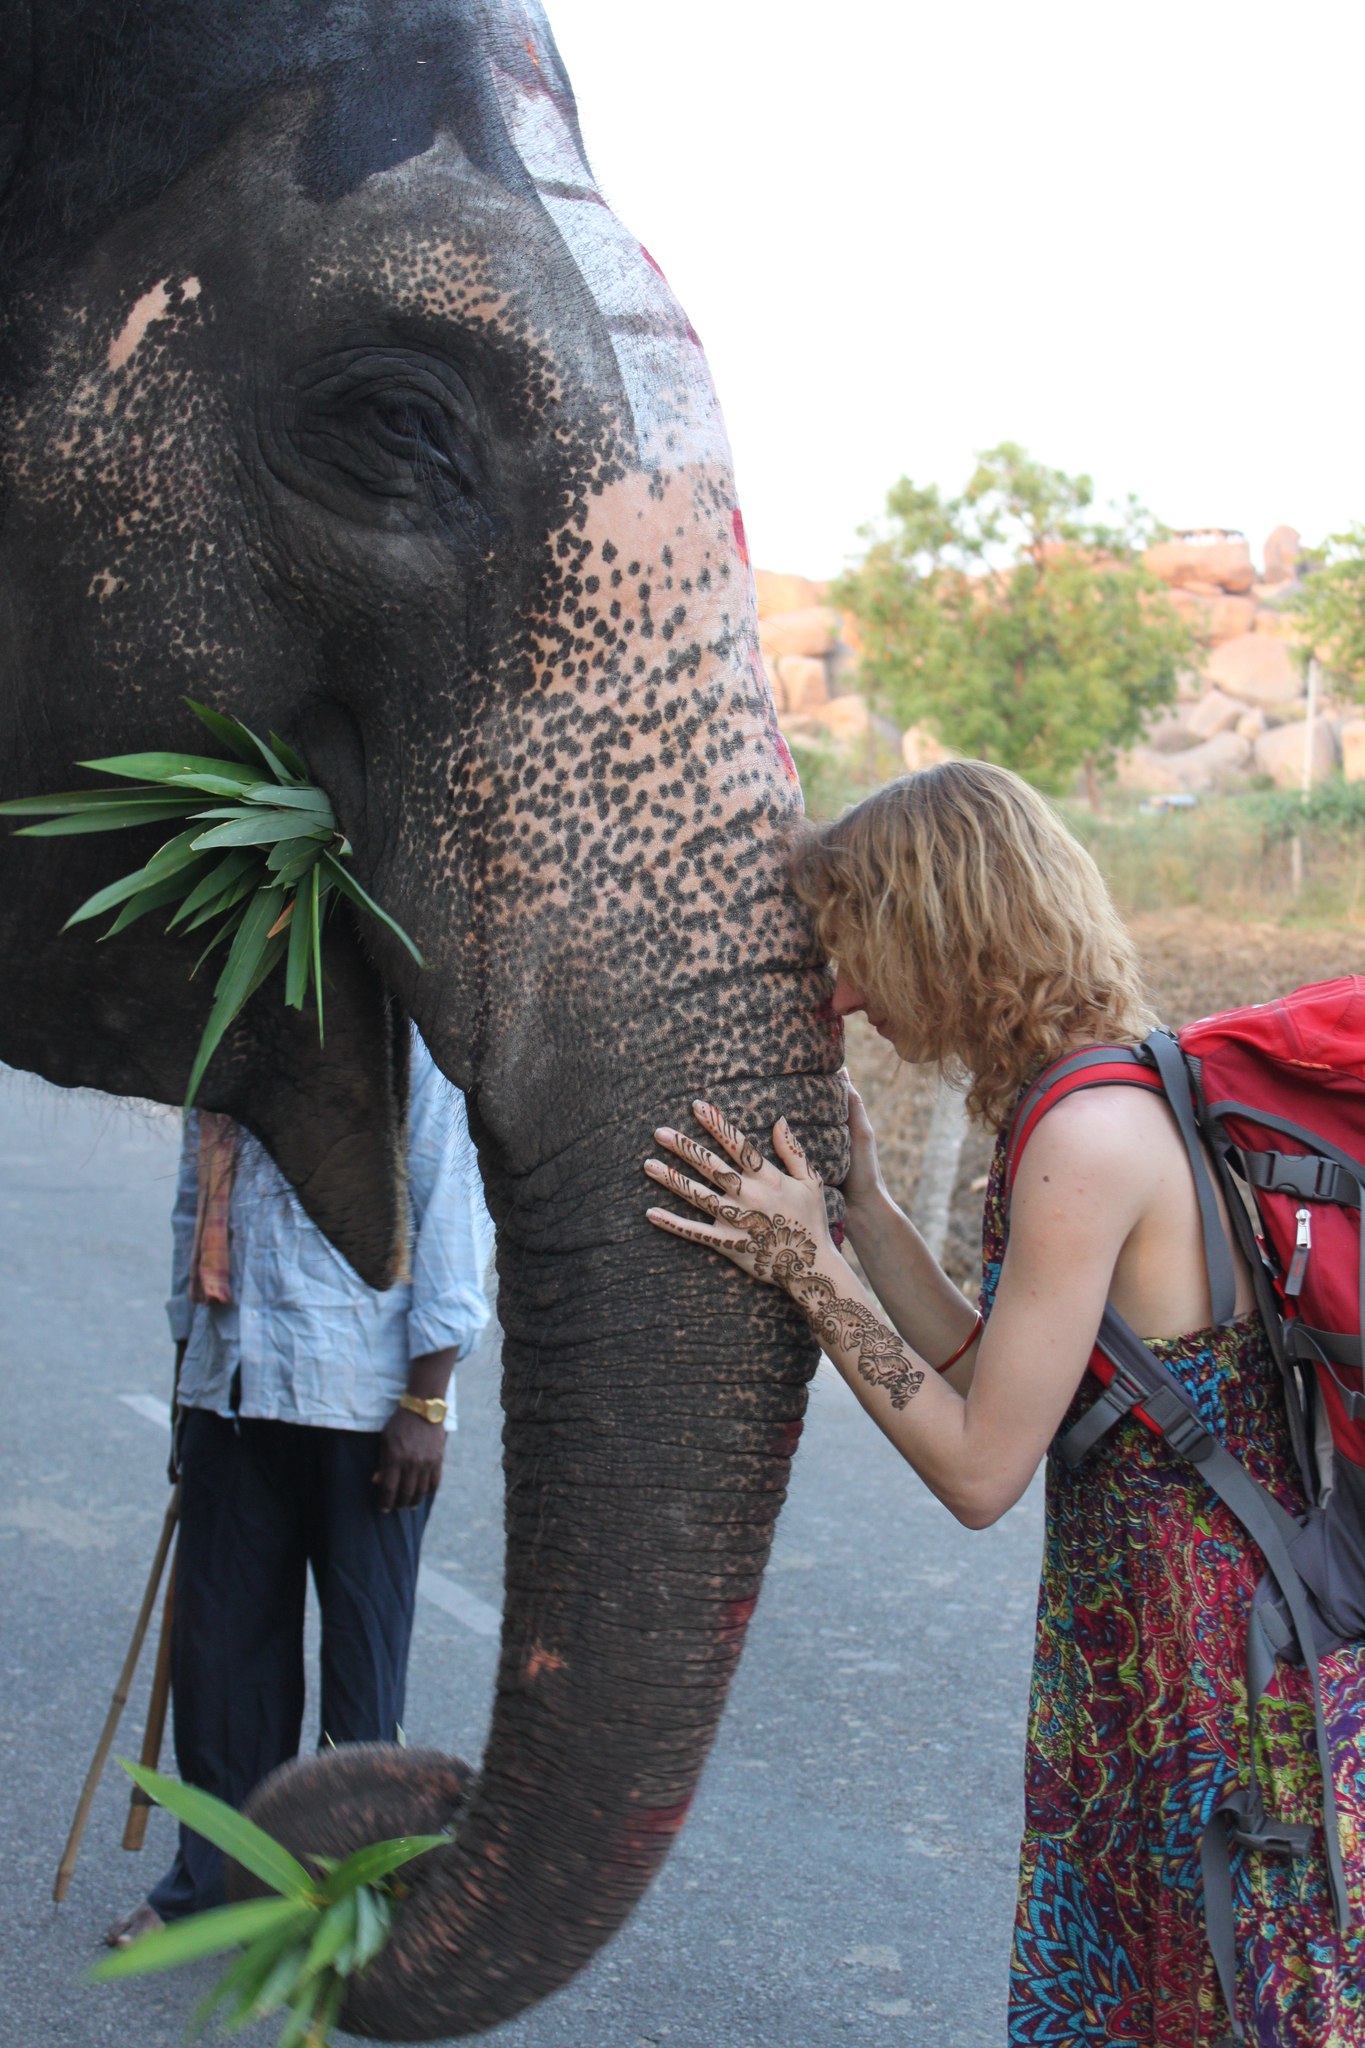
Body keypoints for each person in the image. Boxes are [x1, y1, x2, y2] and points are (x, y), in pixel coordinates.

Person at [643, 760, 1365, 2046]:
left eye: (856, 950)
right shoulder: (1104, 1094)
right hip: (1169, 1655)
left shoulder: (1086, 1139)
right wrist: (863, 1210)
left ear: (940, 932)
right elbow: (1002, 1369)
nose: (845, 994)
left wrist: (806, 1266)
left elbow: (981, 1467)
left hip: (1202, 1686)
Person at [106, 1023, 491, 1947]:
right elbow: (195, 1204)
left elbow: (449, 1201)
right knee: (221, 1663)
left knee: (361, 1671)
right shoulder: (227, 1028)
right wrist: (188, 1382)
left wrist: (426, 1401)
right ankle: (213, 1883)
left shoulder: (403, 1038)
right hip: (232, 1388)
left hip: (363, 1399)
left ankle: (340, 1893)